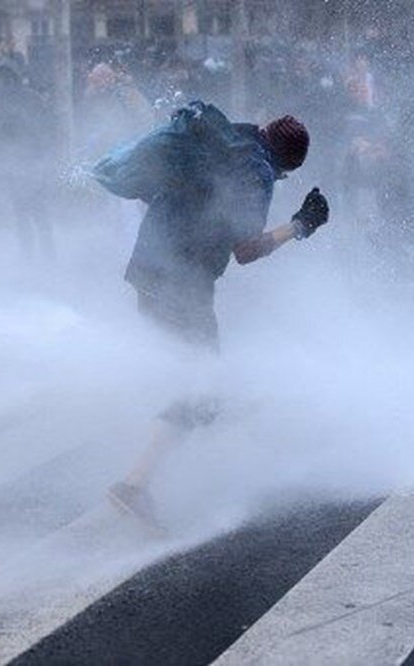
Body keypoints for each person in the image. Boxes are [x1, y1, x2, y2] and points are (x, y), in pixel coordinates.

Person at [95, 103, 330, 532]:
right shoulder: (256, 172)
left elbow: (158, 190)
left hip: (146, 267)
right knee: (203, 386)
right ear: (285, 164)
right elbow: (246, 250)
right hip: (181, 283)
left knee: (197, 376)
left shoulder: (218, 142)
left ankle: (196, 428)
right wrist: (299, 225)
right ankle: (134, 485)